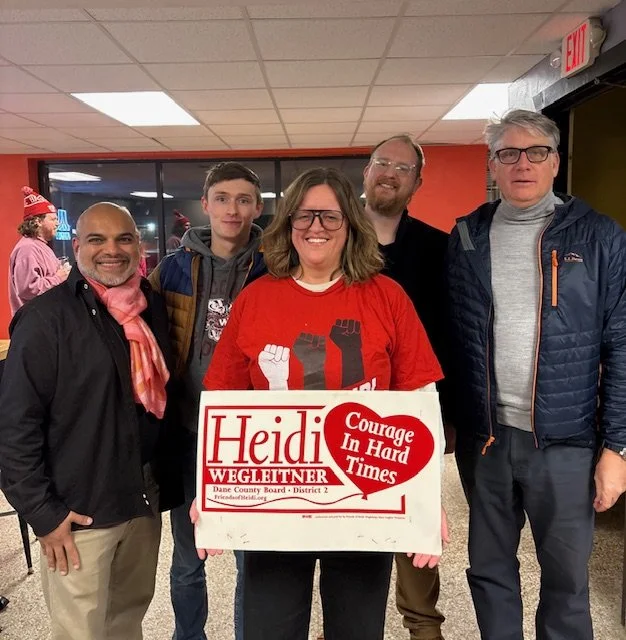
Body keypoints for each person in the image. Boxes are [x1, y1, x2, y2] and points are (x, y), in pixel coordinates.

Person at [201, 167, 447, 640]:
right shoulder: (256, 300)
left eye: (330, 217)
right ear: (288, 224)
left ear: (352, 224)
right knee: (269, 629)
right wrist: (211, 493)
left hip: (362, 495)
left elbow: (420, 401)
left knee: (356, 628)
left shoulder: (387, 296)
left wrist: (425, 500)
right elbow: (222, 402)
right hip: (275, 502)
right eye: (304, 215)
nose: (315, 227)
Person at [446, 109, 626, 640]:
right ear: (494, 166)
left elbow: (621, 345)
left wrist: (617, 447)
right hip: (487, 440)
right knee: (489, 571)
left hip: (567, 442)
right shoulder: (467, 237)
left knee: (568, 579)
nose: (522, 164)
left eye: (536, 153)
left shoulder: (599, 236)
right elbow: (455, 338)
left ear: (555, 162)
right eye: (508, 154)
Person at [0, 202, 180, 640]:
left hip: (141, 498)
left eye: (123, 238)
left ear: (139, 246)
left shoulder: (150, 307)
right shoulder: (46, 319)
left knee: (126, 619)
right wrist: (43, 514)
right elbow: (13, 427)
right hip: (77, 512)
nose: (111, 250)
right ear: (77, 246)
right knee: (81, 631)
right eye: (97, 240)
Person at [149, 161, 266, 640]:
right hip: (186, 431)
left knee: (250, 556)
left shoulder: (276, 268)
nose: (232, 209)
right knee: (187, 554)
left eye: (243, 199)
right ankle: (188, 635)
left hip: (250, 439)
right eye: (222, 198)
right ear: (206, 204)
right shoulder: (171, 270)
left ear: (258, 207)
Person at [363, 135, 449, 640]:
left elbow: (452, 334)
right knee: (353, 527)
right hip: (347, 410)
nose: (390, 172)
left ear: (417, 181)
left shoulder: (437, 249)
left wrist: (451, 416)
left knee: (414, 524)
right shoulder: (334, 241)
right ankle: (352, 622)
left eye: (403, 166)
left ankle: (423, 628)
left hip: (415, 411)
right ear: (366, 172)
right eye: (381, 163)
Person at [8, 186, 69, 315]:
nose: (58, 223)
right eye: (53, 219)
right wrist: (59, 278)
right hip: (34, 324)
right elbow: (28, 289)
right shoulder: (27, 249)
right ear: (37, 221)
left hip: (46, 321)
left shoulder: (41, 246)